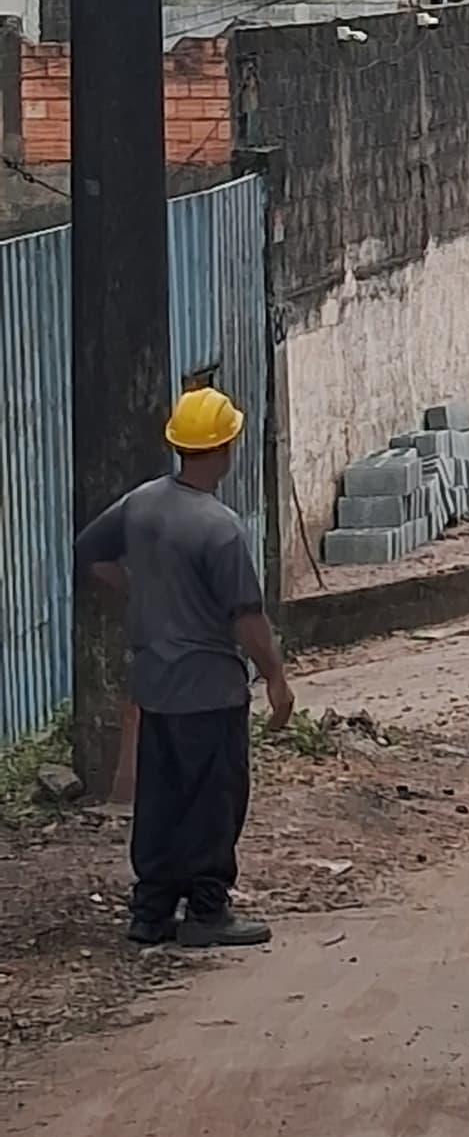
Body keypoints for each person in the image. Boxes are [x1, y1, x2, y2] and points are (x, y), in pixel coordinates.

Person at [74, 386, 293, 952]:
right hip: (211, 691)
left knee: (162, 798)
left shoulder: (141, 504)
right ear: (225, 449)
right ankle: (206, 910)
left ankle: (149, 912)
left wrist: (140, 592)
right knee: (214, 801)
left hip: (156, 686)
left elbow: (90, 552)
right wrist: (275, 678)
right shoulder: (219, 528)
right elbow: (247, 618)